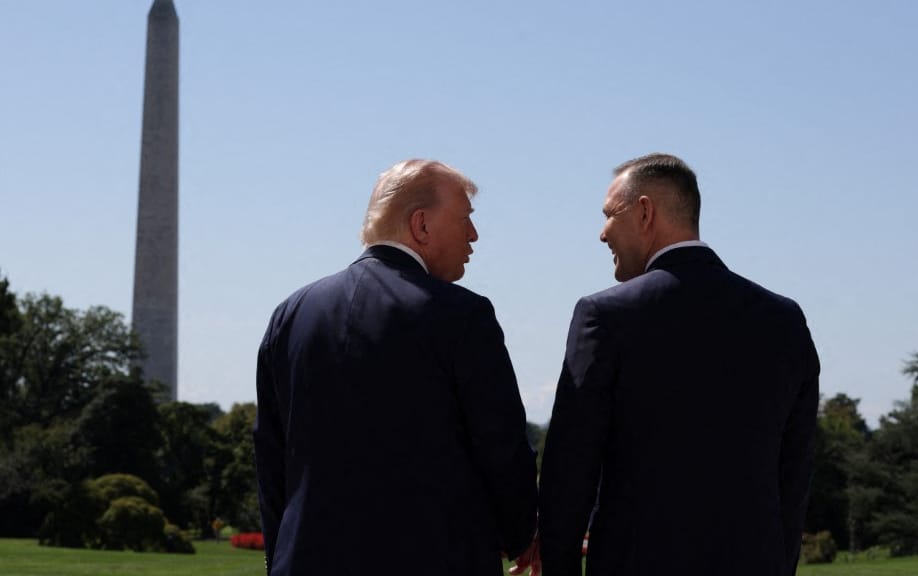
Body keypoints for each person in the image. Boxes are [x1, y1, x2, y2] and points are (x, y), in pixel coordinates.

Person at [254, 159, 540, 576]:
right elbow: (500, 445)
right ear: (421, 225)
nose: (474, 235)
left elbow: (271, 457)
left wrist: (281, 555)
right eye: (466, 219)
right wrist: (522, 533)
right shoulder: (462, 316)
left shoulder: (290, 314)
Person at [538, 153, 819, 576]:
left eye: (610, 215)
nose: (602, 234)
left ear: (645, 211)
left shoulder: (605, 316)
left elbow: (571, 467)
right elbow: (794, 472)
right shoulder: (784, 319)